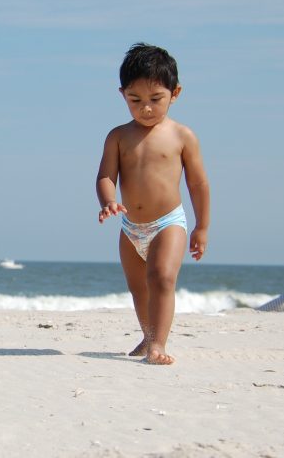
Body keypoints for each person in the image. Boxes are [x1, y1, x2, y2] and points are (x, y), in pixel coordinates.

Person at [96, 43, 210, 365]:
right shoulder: (118, 136)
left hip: (167, 223)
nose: (146, 108)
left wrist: (202, 226)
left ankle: (159, 344)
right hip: (130, 226)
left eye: (155, 100)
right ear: (123, 95)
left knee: (161, 278)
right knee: (138, 289)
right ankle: (147, 336)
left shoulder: (182, 136)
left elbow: (198, 183)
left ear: (175, 93)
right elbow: (105, 176)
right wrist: (108, 201)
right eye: (136, 100)